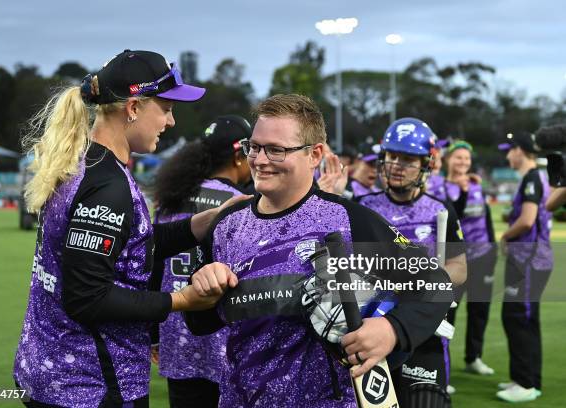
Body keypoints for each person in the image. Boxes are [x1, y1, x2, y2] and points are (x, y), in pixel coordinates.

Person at [185, 95, 452, 407]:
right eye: (254, 147)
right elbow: (202, 323)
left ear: (314, 155)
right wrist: (202, 286)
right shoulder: (226, 225)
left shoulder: (348, 220)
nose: (258, 160)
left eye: (276, 150)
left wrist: (391, 329)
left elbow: (434, 283)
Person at [12, 49, 241, 408]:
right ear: (133, 108)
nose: (171, 122)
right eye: (165, 108)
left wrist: (202, 223)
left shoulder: (91, 164)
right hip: (90, 386)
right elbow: (87, 297)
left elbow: (131, 249)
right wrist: (182, 300)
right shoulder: (107, 187)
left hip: (57, 373)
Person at [357, 117, 466, 406]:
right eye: (391, 156)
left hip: (423, 329)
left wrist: (424, 275)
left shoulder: (440, 210)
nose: (396, 165)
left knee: (426, 401)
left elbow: (460, 268)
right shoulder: (363, 207)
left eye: (407, 159)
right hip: (371, 328)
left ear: (426, 164)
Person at [151, 115, 252, 407]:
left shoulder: (172, 197)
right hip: (221, 338)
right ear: (237, 156)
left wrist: (153, 335)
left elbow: (153, 264)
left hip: (175, 334)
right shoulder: (241, 203)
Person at [496, 131, 553, 403]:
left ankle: (526, 383)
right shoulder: (537, 178)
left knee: (518, 317)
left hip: (528, 260)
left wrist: (505, 235)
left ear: (520, 150)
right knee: (524, 319)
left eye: (510, 149)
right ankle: (527, 378)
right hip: (530, 259)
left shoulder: (532, 178)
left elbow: (528, 220)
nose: (508, 155)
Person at [442, 140, 497, 376]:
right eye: (458, 157)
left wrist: (492, 249)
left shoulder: (477, 186)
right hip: (456, 260)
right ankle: (443, 364)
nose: (463, 162)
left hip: (483, 256)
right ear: (448, 160)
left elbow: (486, 220)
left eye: (467, 158)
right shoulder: (441, 187)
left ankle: (474, 357)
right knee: (448, 312)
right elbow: (454, 215)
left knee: (480, 310)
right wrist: (462, 190)